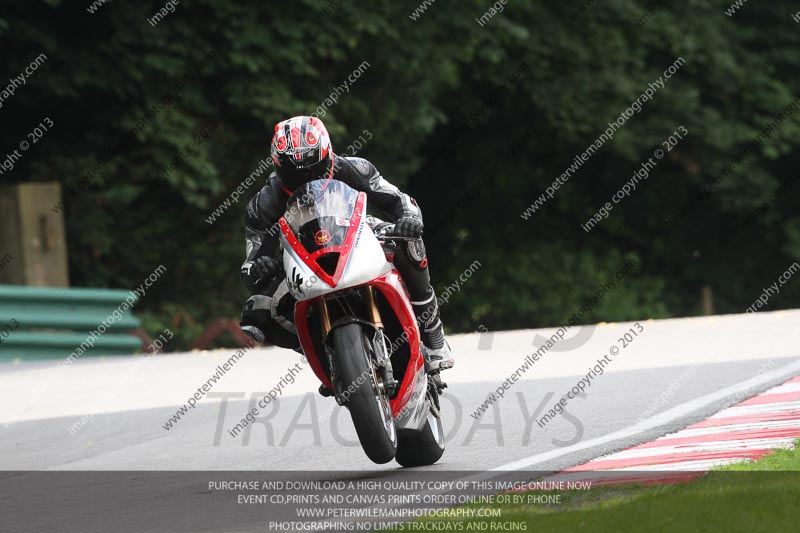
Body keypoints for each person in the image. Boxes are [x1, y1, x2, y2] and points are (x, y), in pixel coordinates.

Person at [239, 115, 454, 375]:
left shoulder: (354, 169)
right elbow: (250, 262)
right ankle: (329, 358)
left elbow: (399, 200)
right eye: (295, 174)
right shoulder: (263, 204)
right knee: (258, 309)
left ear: (328, 155)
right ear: (277, 166)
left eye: (313, 170)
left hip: (358, 232)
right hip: (300, 256)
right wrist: (260, 267)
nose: (307, 179)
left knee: (409, 243)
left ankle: (434, 339)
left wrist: (408, 219)